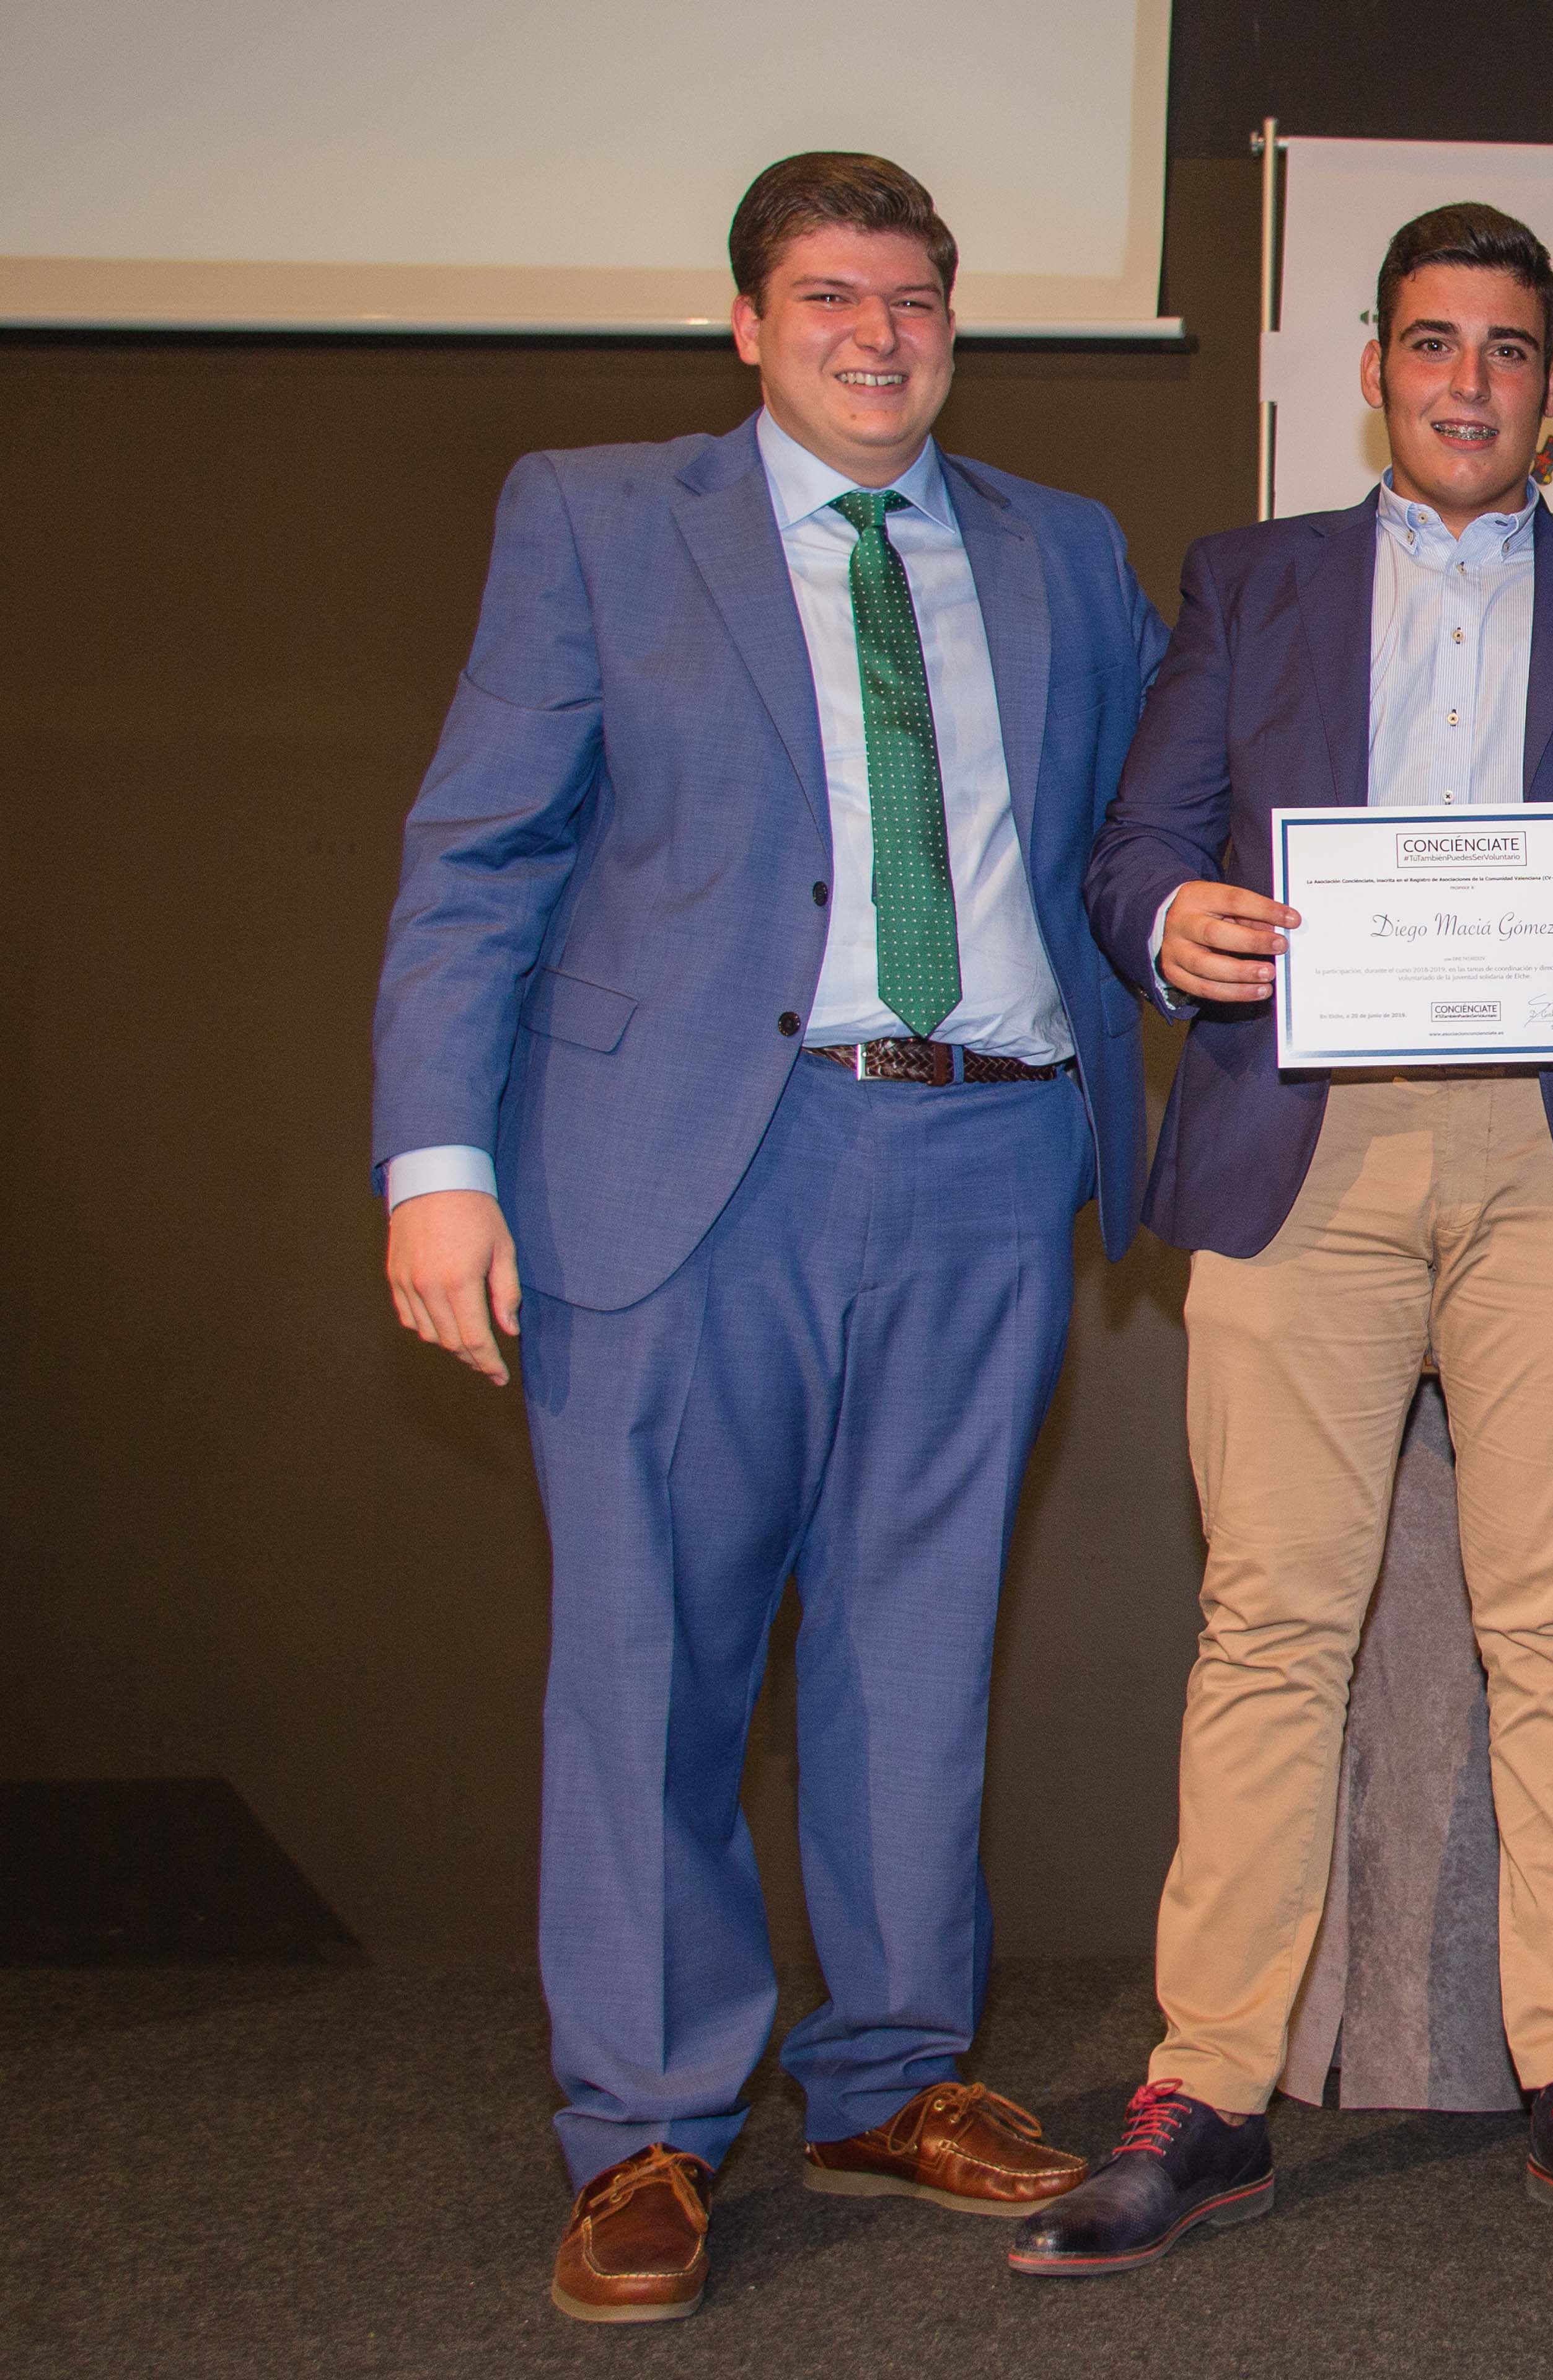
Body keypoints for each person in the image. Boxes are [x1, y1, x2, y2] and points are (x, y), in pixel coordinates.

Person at [371, 153, 1168, 2321]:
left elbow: (1157, 824)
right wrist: (435, 1160)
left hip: (990, 1154)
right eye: (829, 297)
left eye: (912, 299)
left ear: (952, 322)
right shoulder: (594, 519)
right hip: (688, 1162)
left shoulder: (1066, 548)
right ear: (747, 323)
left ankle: (892, 2077)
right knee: (652, 1657)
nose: (876, 336)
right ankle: (644, 2123)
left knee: (919, 1648)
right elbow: (477, 855)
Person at [1011, 203, 1553, 2274]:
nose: (1469, 381)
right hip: (1307, 1145)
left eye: (1508, 349)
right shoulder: (1247, 581)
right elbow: (1135, 848)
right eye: (1433, 343)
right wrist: (1171, 922)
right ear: (1374, 370)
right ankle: (1210, 2093)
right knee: (1271, 1622)